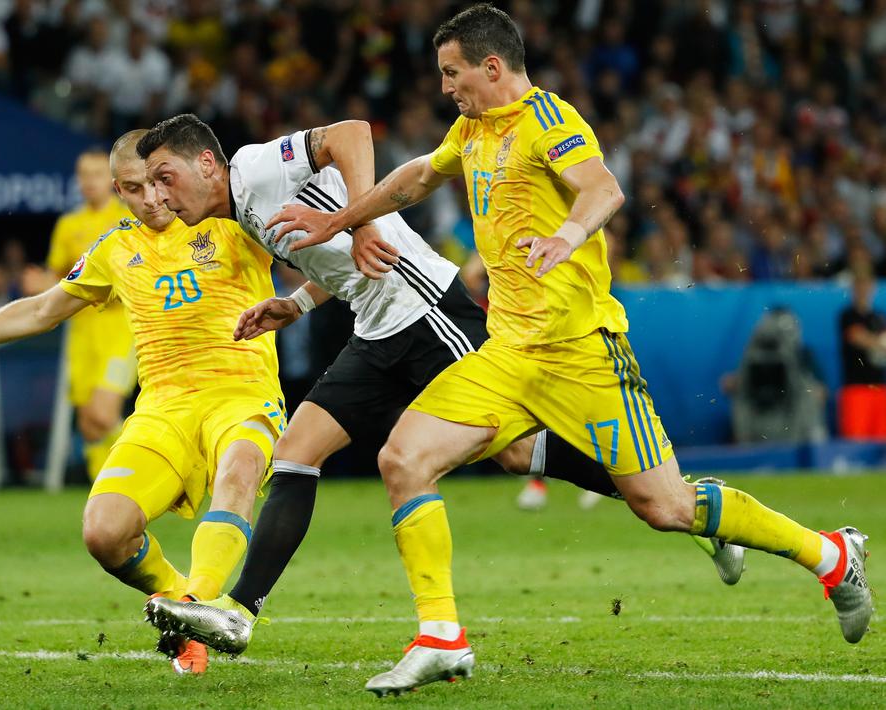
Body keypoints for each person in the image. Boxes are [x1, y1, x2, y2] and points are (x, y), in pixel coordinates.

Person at [253, 5, 870, 695]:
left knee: (664, 508)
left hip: (583, 353)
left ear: (492, 67)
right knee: (402, 458)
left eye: (452, 72)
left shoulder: (550, 119)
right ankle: (440, 636)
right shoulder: (473, 128)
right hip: (508, 352)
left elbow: (603, 187)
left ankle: (829, 553)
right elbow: (418, 177)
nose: (444, 87)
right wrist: (338, 219)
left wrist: (568, 237)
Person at [136, 114, 740, 654]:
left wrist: (363, 219)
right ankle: (241, 612)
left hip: (426, 312)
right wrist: (296, 303)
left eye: (166, 176)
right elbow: (337, 259)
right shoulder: (241, 213)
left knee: (516, 451)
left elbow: (352, 134)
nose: (160, 194)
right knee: (294, 452)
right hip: (374, 327)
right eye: (150, 183)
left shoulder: (255, 168)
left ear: (208, 163)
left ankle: (684, 504)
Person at [0, 130, 283, 676]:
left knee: (238, 473)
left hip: (242, 395)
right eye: (137, 189)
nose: (154, 199)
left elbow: (317, 231)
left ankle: (197, 605)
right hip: (163, 408)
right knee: (104, 532)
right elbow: (40, 309)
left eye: (162, 183)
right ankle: (182, 602)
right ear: (119, 189)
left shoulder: (232, 216)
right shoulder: (115, 248)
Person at [30, 148, 138, 481]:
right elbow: (59, 276)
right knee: (89, 425)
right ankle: (106, 489)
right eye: (83, 175)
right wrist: (39, 282)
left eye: (96, 174)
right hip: (82, 334)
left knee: (103, 414)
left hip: (122, 331)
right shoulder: (68, 225)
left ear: (111, 180)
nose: (89, 182)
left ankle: (144, 470)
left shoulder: (127, 218)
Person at [838, 272, 886, 439]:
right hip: (856, 388)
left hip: (879, 387)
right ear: (853, 288)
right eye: (860, 285)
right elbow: (856, 337)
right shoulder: (847, 315)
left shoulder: (879, 317)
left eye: (867, 285)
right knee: (856, 441)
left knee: (881, 442)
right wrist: (879, 343)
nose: (864, 290)